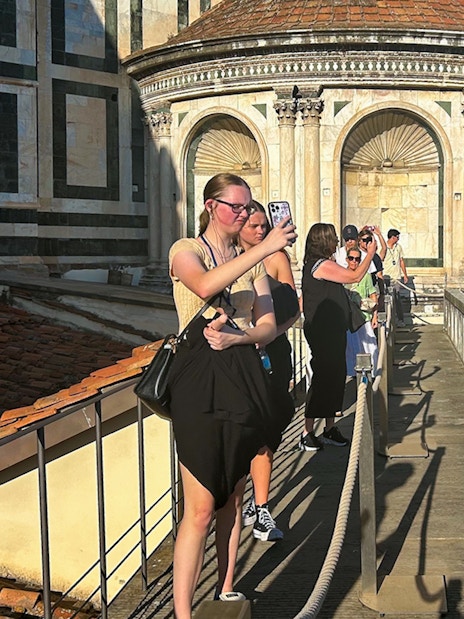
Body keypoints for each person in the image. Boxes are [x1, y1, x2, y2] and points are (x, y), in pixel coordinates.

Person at [168, 173, 296, 618]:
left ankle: (225, 586)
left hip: (243, 377)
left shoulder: (254, 264)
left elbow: (268, 324)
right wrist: (265, 247)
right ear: (210, 206)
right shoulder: (186, 250)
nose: (242, 214)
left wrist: (239, 337)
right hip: (198, 383)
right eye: (235, 207)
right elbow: (203, 286)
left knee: (234, 497)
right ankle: (183, 613)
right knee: (201, 505)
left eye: (247, 208)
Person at [238, 201, 299, 542]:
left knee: (267, 427)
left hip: (272, 352)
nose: (261, 231)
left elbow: (292, 306)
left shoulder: (276, 258)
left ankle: (260, 506)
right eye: (254, 226)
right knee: (245, 429)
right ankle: (248, 503)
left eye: (264, 225)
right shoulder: (227, 258)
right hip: (236, 355)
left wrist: (271, 333)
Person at [299, 223, 377, 452]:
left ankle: (330, 427)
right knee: (324, 377)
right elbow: (353, 276)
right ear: (324, 241)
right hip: (323, 332)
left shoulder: (324, 264)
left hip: (332, 330)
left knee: (336, 376)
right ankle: (307, 431)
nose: (336, 241)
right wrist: (369, 253)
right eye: (333, 238)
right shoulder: (319, 266)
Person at [344, 246, 379, 377]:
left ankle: (373, 375)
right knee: (350, 349)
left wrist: (375, 316)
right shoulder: (342, 274)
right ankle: (352, 375)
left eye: (357, 259)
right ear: (347, 259)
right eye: (351, 258)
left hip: (363, 318)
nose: (354, 261)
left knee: (369, 348)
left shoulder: (366, 276)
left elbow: (373, 295)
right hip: (348, 319)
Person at [380, 228, 409, 326]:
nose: (398, 239)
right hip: (386, 277)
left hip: (396, 277)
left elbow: (401, 261)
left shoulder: (398, 247)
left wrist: (404, 274)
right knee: (386, 299)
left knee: (397, 299)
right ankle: (388, 321)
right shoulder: (383, 247)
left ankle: (400, 320)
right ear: (392, 237)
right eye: (397, 237)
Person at [357, 225, 386, 313]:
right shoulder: (355, 254)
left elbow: (379, 275)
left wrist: (382, 294)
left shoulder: (375, 257)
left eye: (369, 240)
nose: (367, 242)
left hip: (371, 290)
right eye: (364, 240)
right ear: (359, 241)